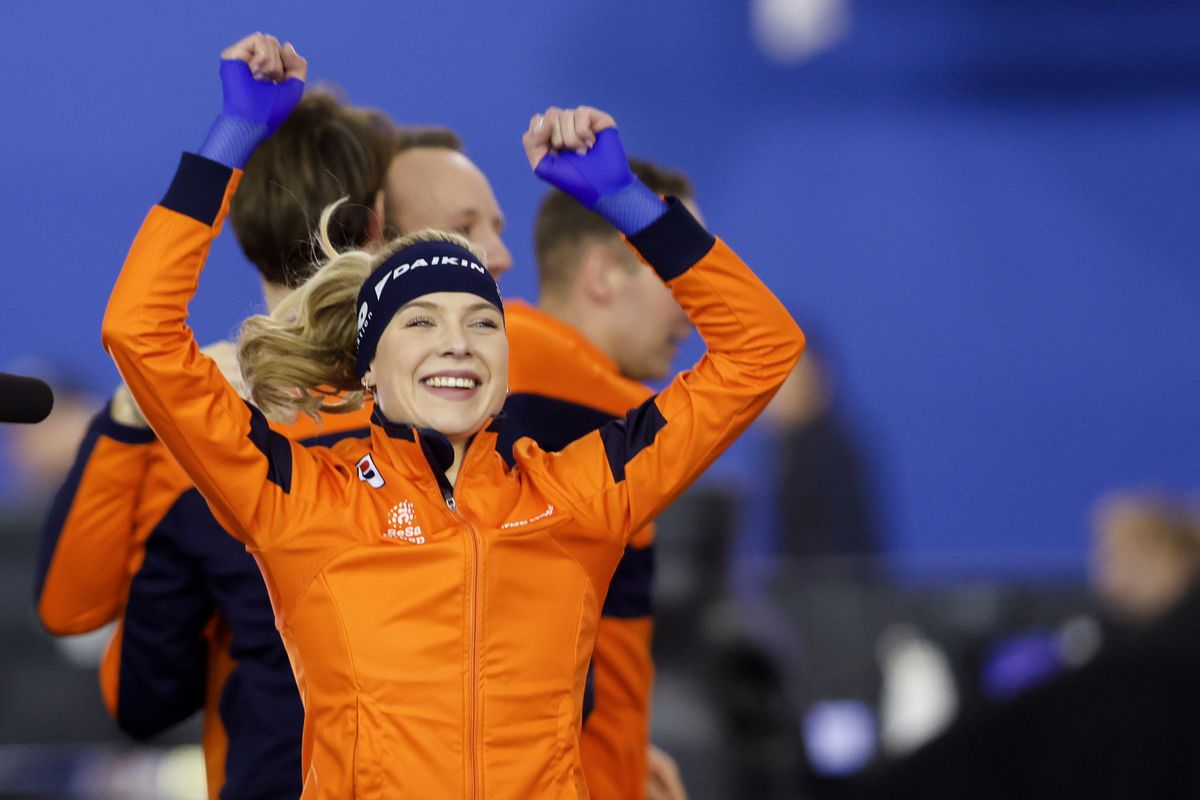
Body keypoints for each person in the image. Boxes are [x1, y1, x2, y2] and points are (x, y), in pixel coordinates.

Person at [101, 34, 803, 799]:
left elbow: (761, 351)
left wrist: (625, 201)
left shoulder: (579, 494)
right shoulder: (302, 500)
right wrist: (233, 135)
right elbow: (140, 333)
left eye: (481, 322)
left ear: (507, 364)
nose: (457, 344)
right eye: (421, 322)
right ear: (368, 367)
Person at [36, 57, 396, 798]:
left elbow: (86, 630)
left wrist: (135, 416)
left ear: (235, 223)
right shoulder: (439, 417)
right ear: (383, 222)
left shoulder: (199, 420)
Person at [498, 158, 696, 800]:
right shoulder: (597, 406)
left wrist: (629, 743)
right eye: (678, 272)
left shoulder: (506, 367)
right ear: (603, 274)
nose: (693, 311)